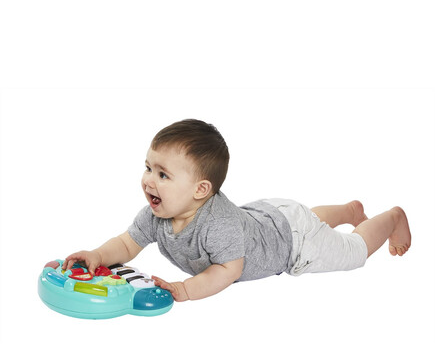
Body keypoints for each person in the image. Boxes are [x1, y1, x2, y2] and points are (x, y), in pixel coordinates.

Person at [63, 119, 411, 302]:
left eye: (163, 175)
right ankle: (349, 209)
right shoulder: (156, 215)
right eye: (148, 168)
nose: (149, 180)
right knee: (306, 220)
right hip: (273, 218)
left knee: (353, 253)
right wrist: (98, 255)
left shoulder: (218, 226)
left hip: (292, 243)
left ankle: (392, 218)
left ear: (201, 190)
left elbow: (229, 269)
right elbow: (126, 243)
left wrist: (187, 289)